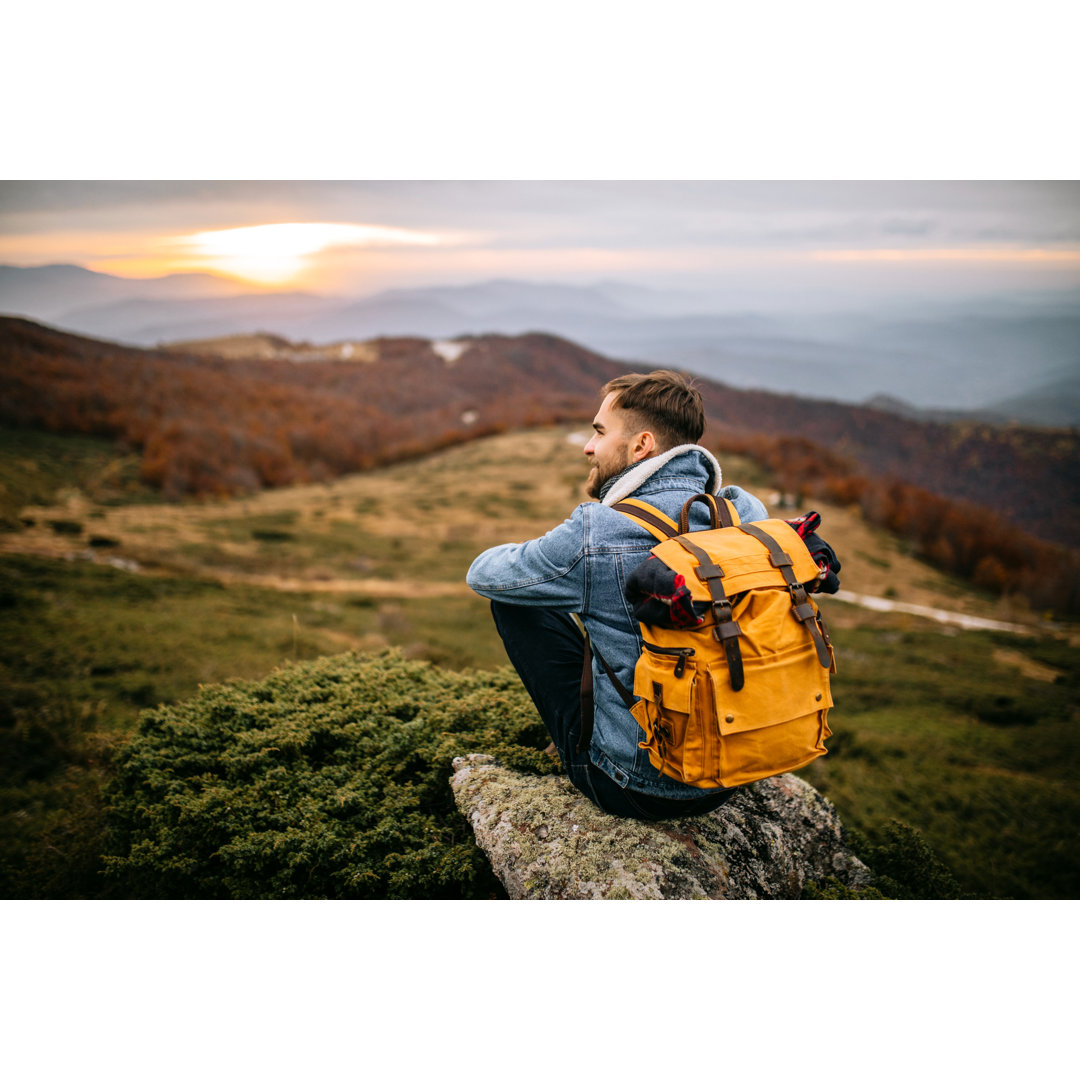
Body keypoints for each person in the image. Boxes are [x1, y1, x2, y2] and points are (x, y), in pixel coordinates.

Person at [466, 370, 775, 821]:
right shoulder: (743, 512)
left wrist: (556, 555)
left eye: (599, 432)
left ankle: (600, 747)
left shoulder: (598, 532)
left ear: (641, 445)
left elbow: (484, 575)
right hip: (736, 773)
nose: (588, 447)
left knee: (515, 601)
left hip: (635, 787)